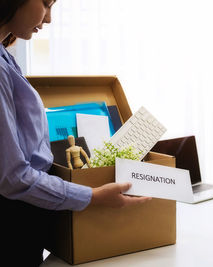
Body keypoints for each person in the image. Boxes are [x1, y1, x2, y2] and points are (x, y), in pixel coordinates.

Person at [0, 1, 151, 266]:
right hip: (12, 222)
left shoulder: (5, 57)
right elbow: (13, 177)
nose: (48, 19)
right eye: (46, 3)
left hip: (28, 215)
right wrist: (92, 197)